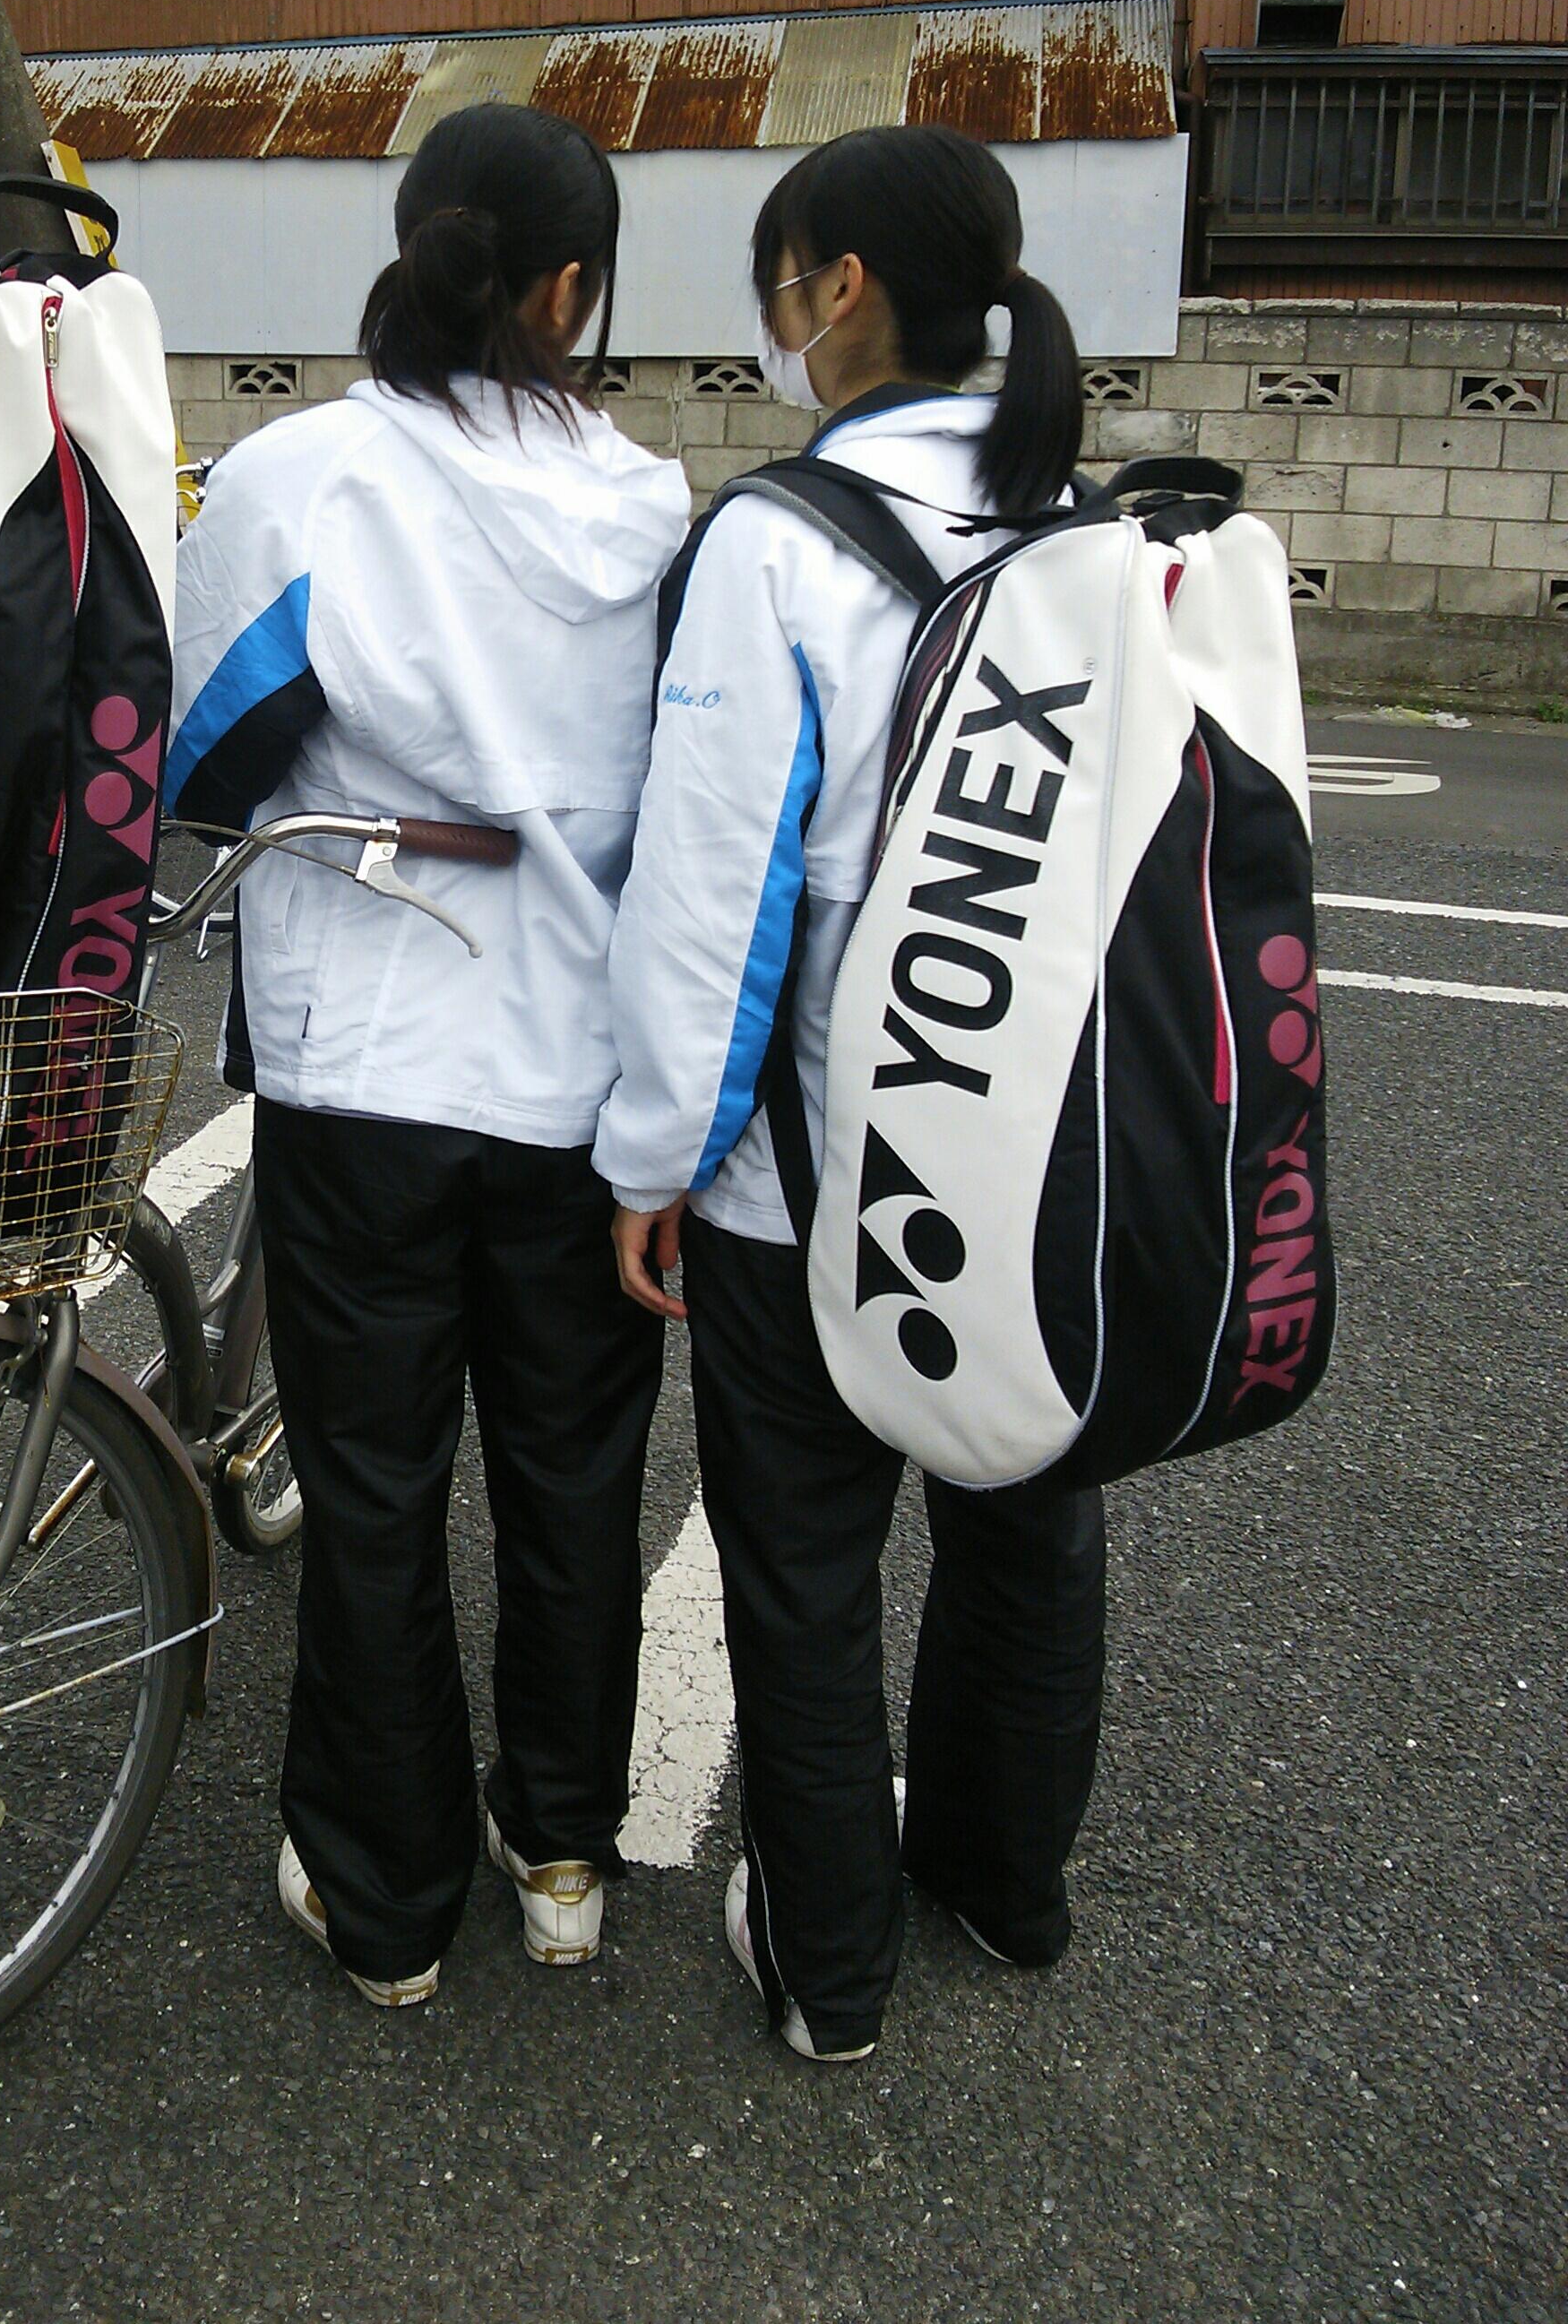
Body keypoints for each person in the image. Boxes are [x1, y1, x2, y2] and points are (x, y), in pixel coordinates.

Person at [166, 102, 689, 2008]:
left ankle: (383, 1906)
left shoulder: (302, 476)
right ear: (574, 288)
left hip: (369, 1065)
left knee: (375, 1486)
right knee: (574, 1477)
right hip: (582, 1080)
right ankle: (560, 1855)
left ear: (414, 246)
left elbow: (207, 761)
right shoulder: (659, 513)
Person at [596, 124, 1106, 2065]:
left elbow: (713, 901)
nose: (778, 314)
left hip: (816, 1188)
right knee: (1027, 1529)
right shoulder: (1091, 530)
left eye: (781, 279)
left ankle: (830, 1972)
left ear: (842, 289)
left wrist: (654, 1155)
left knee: (805, 1571)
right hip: (1046, 1161)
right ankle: (1003, 1884)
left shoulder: (781, 544)